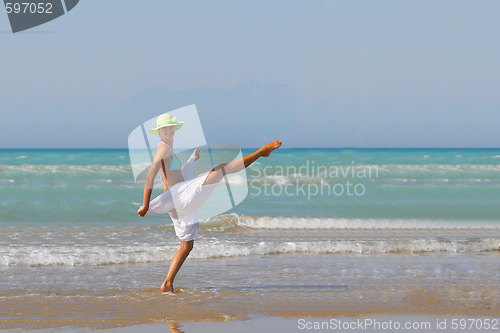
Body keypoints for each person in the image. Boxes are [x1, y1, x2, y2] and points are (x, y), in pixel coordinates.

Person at [137, 113, 282, 293]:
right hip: (180, 196)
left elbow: (173, 176)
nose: (169, 130)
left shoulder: (168, 147)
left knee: (187, 246)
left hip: (179, 197)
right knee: (221, 169)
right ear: (158, 131)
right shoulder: (163, 148)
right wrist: (145, 205)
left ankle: (167, 283)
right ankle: (261, 152)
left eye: (171, 127)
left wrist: (190, 161)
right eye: (165, 128)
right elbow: (150, 176)